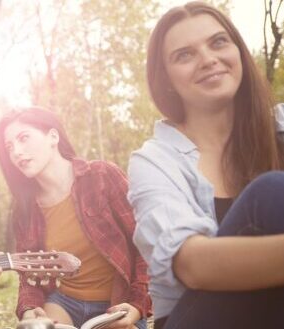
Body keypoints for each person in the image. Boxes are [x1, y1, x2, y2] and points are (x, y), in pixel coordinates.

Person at [128, 2, 284, 328]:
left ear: (238, 51)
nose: (208, 59)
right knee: (269, 192)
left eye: (218, 42)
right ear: (166, 78)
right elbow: (192, 265)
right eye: (184, 55)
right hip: (200, 317)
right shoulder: (154, 161)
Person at [0, 107, 150, 329]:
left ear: (53, 137)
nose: (16, 152)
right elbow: (29, 278)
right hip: (63, 303)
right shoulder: (25, 210)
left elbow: (146, 245)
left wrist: (137, 304)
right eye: (9, 147)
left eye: (23, 138)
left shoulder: (102, 176)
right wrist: (29, 311)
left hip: (117, 306)